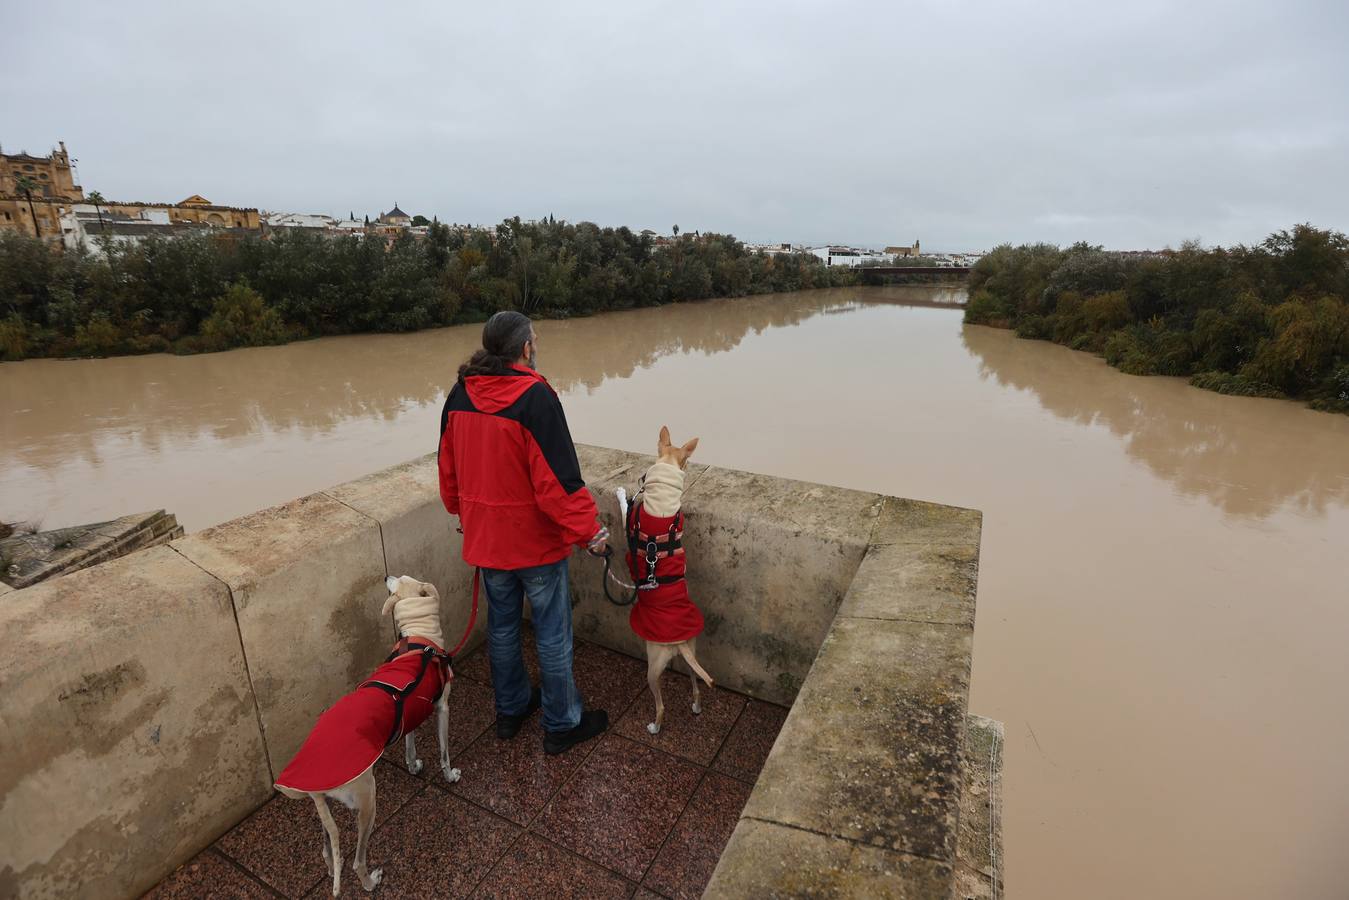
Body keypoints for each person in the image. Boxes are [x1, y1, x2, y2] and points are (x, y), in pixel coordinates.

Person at [437, 311, 610, 755]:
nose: (536, 346)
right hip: (535, 545)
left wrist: (464, 514)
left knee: (502, 629)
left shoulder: (459, 394)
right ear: (525, 348)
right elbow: (559, 482)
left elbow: (448, 470)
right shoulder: (536, 397)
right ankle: (561, 722)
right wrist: (590, 532)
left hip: (487, 542)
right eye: (534, 340)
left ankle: (511, 710)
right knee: (552, 633)